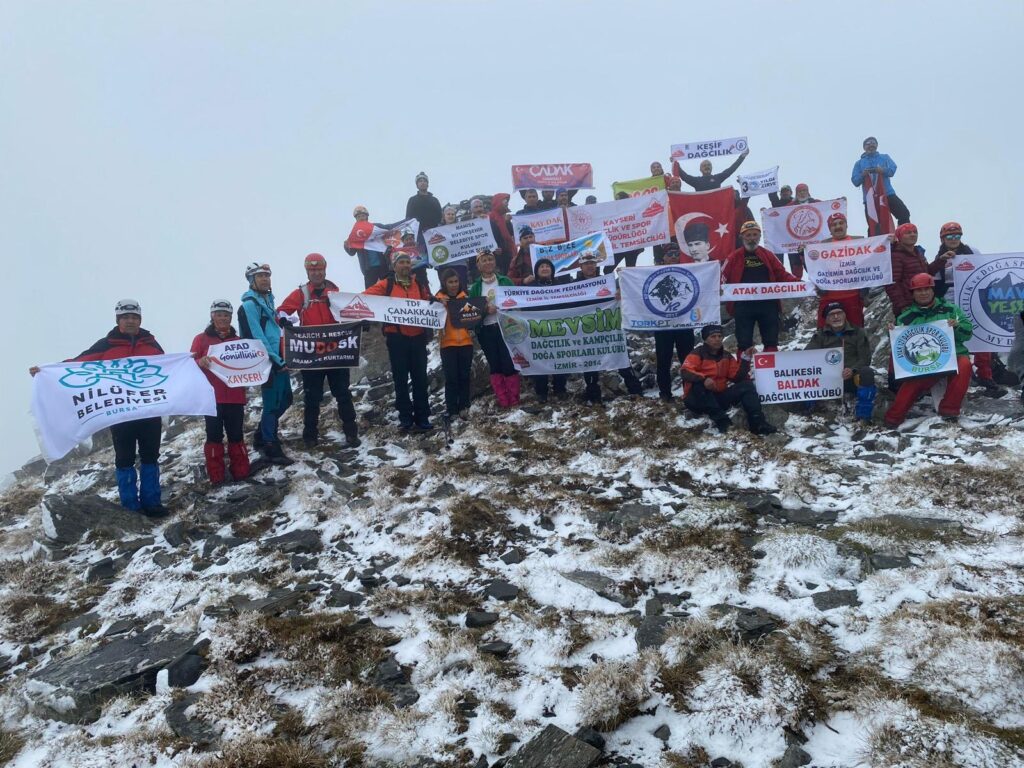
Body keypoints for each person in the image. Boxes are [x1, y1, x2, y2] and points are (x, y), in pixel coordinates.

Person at [29, 299, 170, 515]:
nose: (130, 321)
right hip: (120, 414)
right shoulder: (107, 345)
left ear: (140, 320)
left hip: (149, 411)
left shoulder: (152, 345)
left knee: (150, 456)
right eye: (125, 317)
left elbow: (169, 368)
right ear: (118, 320)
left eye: (134, 317)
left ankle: (152, 503)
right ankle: (131, 507)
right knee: (125, 459)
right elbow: (79, 363)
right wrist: (47, 371)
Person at [277, 253, 361, 449]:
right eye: (312, 270)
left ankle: (351, 434)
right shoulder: (301, 294)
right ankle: (310, 436)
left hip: (336, 353)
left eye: (319, 269)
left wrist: (359, 322)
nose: (316, 273)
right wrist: (283, 320)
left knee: (343, 394)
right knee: (312, 397)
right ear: (307, 272)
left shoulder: (335, 292)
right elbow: (280, 311)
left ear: (325, 270)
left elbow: (350, 313)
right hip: (311, 355)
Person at [884, 273, 973, 427]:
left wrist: (957, 326)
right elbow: (899, 344)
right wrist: (891, 332)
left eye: (927, 289)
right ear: (913, 293)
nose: (923, 293)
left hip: (952, 357)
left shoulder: (951, 310)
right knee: (910, 387)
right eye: (919, 290)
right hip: (923, 364)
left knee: (965, 364)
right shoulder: (905, 317)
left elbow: (968, 333)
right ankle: (892, 419)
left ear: (933, 290)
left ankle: (949, 411)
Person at [928, 221, 1005, 396]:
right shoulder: (940, 257)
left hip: (973, 298)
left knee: (981, 335)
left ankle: (985, 375)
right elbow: (935, 282)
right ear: (943, 238)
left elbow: (985, 272)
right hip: (950, 300)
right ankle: (958, 374)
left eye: (957, 235)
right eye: (949, 236)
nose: (953, 239)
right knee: (954, 335)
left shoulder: (972, 251)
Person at [363, 251, 434, 431]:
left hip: (418, 337)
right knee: (400, 379)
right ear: (394, 266)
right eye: (401, 262)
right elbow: (366, 296)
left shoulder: (418, 284)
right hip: (397, 338)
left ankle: (422, 417)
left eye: (407, 262)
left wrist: (435, 301)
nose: (405, 265)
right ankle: (405, 417)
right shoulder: (386, 284)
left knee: (420, 378)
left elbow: (428, 302)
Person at [191, 300, 252, 485]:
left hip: (235, 396)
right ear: (212, 316)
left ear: (230, 318)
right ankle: (216, 477)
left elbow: (249, 364)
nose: (223, 318)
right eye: (219, 314)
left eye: (226, 315)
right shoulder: (200, 339)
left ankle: (241, 473)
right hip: (211, 398)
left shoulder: (239, 341)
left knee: (236, 436)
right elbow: (189, 365)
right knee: (214, 437)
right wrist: (199, 362)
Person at [239, 263, 294, 465]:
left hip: (278, 357)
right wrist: (276, 360)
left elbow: (271, 328)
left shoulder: (268, 301)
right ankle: (270, 445)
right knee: (272, 403)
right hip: (266, 361)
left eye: (267, 275)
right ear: (251, 280)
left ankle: (262, 434)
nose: (265, 279)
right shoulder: (249, 305)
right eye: (260, 276)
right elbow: (257, 336)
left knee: (286, 399)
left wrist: (283, 323)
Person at [681, 324, 777, 435]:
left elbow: (737, 377)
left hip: (718, 398)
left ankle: (758, 423)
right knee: (699, 385)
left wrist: (745, 358)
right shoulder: (697, 353)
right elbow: (685, 371)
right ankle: (723, 423)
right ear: (705, 339)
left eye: (719, 336)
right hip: (696, 400)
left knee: (747, 385)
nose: (717, 339)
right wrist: (704, 379)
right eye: (713, 336)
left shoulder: (726, 356)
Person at [575, 251, 643, 403]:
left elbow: (626, 291)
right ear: (581, 267)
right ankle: (594, 399)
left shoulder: (607, 281)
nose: (590, 266)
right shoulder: (573, 285)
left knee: (621, 359)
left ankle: (637, 392)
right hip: (586, 331)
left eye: (592, 263)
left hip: (609, 329)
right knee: (590, 365)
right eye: (586, 264)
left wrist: (620, 290)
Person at [721, 221, 800, 351]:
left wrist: (799, 283)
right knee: (743, 342)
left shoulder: (768, 255)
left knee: (771, 341)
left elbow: (781, 274)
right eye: (748, 235)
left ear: (759, 236)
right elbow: (722, 276)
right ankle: (743, 364)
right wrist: (718, 289)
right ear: (742, 237)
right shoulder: (733, 257)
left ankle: (771, 363)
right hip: (743, 306)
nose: (752, 238)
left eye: (755, 235)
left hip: (768, 305)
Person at [805, 302, 876, 420]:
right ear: (826, 319)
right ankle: (809, 411)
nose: (836, 317)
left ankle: (864, 416)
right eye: (831, 314)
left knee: (867, 372)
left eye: (839, 313)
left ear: (845, 315)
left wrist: (852, 370)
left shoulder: (858, 332)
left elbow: (865, 358)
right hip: (828, 379)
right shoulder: (820, 336)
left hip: (852, 378)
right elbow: (806, 356)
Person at [469, 249, 520, 407]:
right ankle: (503, 400)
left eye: (490, 259)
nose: (488, 262)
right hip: (486, 330)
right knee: (495, 364)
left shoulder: (505, 281)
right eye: (484, 260)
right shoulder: (475, 287)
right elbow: (472, 313)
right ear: (478, 265)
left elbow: (517, 301)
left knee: (508, 362)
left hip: (506, 326)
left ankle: (514, 399)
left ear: (495, 262)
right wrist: (485, 310)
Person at [653, 244, 696, 401]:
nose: (673, 257)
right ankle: (665, 394)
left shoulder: (687, 271)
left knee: (688, 359)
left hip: (684, 324)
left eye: (676, 254)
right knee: (663, 360)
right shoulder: (653, 273)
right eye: (670, 254)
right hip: (663, 325)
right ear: (663, 257)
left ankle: (690, 392)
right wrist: (623, 275)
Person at [525, 258, 569, 403]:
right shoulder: (530, 288)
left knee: (560, 360)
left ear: (552, 270)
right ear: (536, 271)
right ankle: (541, 392)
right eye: (541, 266)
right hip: (537, 330)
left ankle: (560, 389)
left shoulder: (560, 286)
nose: (544, 268)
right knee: (539, 361)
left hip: (557, 329)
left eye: (547, 266)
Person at [815, 212, 866, 328]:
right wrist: (803, 255)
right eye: (834, 225)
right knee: (824, 333)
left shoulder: (861, 242)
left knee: (855, 331)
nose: (838, 226)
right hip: (828, 297)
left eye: (841, 223)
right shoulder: (820, 247)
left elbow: (874, 262)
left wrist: (890, 244)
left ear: (846, 225)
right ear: (830, 229)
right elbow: (814, 271)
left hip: (853, 296)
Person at [436, 268, 474, 419]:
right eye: (450, 282)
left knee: (464, 375)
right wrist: (438, 303)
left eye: (456, 281)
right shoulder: (437, 300)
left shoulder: (466, 297)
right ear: (444, 283)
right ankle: (451, 408)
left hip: (466, 342)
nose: (453, 285)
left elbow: (475, 316)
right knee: (451, 377)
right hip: (447, 343)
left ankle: (464, 405)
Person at [851, 136, 910, 226]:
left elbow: (892, 169)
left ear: (877, 145)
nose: (871, 145)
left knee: (904, 213)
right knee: (874, 224)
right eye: (868, 143)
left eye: (873, 143)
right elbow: (855, 181)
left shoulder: (885, 157)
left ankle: (903, 233)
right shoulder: (859, 163)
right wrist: (863, 175)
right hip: (870, 198)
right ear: (864, 147)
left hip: (887, 193)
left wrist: (882, 170)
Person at [885, 223, 930, 318]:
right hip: (908, 306)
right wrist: (903, 306)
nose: (913, 234)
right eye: (908, 233)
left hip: (923, 303)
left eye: (915, 232)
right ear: (899, 236)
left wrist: (941, 260)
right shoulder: (895, 255)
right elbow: (892, 283)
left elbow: (928, 273)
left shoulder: (918, 253)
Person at [344, 205, 386, 289]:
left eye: (363, 215)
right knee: (371, 291)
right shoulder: (355, 233)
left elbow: (388, 231)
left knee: (387, 288)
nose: (361, 218)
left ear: (367, 217)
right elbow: (352, 252)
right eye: (358, 216)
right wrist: (346, 246)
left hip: (383, 264)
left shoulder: (376, 227)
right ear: (356, 219)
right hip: (369, 268)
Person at [783, 184, 819, 278]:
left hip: (812, 242)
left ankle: (817, 283)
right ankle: (798, 284)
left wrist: (838, 201)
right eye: (799, 191)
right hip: (795, 242)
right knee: (796, 266)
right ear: (796, 193)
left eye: (804, 190)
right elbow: (780, 214)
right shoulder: (790, 206)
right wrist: (767, 212)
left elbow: (828, 207)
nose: (802, 193)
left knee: (814, 266)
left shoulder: (816, 203)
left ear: (808, 192)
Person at [673, 148, 749, 192]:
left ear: (712, 168)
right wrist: (675, 162)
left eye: (709, 165)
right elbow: (684, 176)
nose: (707, 167)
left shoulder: (717, 178)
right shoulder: (696, 181)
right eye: (704, 166)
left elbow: (730, 170)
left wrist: (742, 157)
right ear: (700, 169)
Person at [605, 191, 643, 273]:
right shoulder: (613, 211)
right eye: (616, 199)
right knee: (607, 270)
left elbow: (641, 226)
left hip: (632, 246)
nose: (617, 201)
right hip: (618, 247)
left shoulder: (635, 210)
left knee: (630, 271)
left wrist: (641, 245)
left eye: (619, 199)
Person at [489, 193, 518, 275]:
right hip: (498, 255)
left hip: (507, 252)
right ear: (498, 202)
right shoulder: (491, 216)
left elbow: (511, 234)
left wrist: (507, 223)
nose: (507, 204)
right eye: (505, 202)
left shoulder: (502, 217)